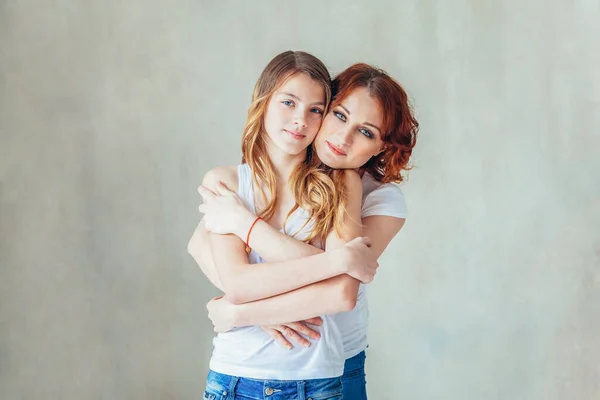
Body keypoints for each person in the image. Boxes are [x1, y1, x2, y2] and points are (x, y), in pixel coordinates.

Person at [195, 62, 419, 399]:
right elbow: (198, 245)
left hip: (334, 364)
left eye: (366, 132)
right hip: (240, 370)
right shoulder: (249, 178)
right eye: (339, 116)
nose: (343, 138)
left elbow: (340, 291)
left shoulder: (356, 189)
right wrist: (245, 299)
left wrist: (241, 312)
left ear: (383, 148)